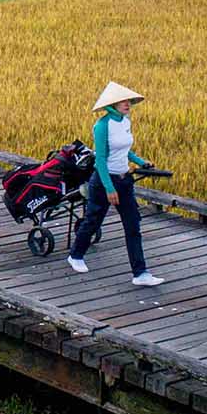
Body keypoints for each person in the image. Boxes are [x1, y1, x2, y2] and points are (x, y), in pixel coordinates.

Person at [67, 81, 163, 286]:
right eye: (122, 101)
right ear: (112, 105)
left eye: (128, 101)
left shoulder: (125, 122)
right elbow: (100, 159)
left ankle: (140, 273)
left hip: (124, 180)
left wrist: (140, 161)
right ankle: (75, 255)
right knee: (93, 220)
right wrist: (109, 188)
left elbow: (124, 150)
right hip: (104, 181)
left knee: (133, 226)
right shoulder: (102, 126)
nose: (127, 104)